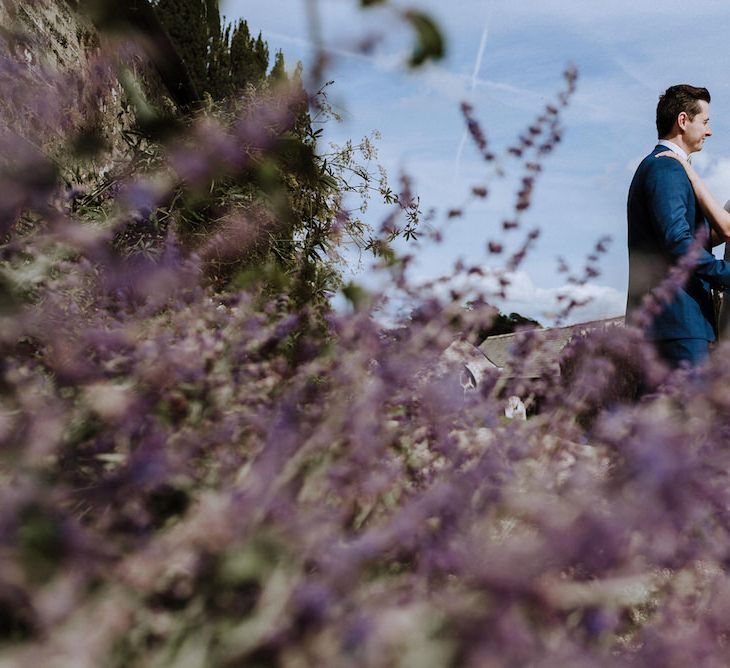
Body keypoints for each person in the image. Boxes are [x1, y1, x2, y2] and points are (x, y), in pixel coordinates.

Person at [626, 84, 730, 367]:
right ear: (683, 121)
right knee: (686, 411)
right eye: (705, 122)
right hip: (677, 322)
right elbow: (677, 241)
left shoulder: (661, 165)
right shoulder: (666, 167)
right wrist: (724, 272)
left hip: (668, 325)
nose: (709, 132)